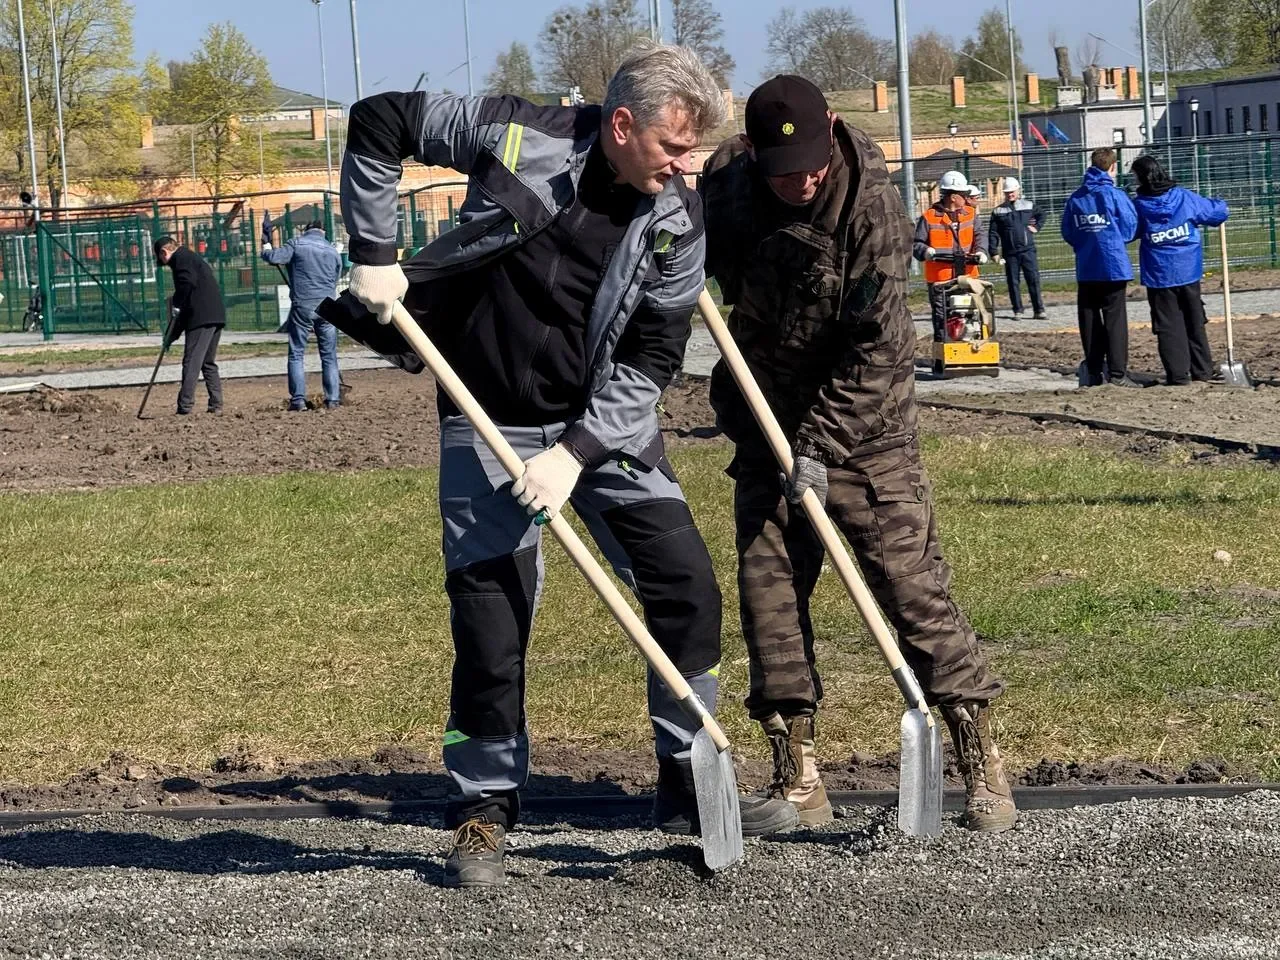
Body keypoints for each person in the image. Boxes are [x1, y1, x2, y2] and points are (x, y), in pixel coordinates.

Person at [331, 42, 798, 889]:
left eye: (696, 154)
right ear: (622, 125)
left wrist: (575, 456)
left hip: (601, 431)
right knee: (490, 621)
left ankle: (688, 784)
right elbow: (379, 122)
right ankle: (483, 807)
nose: (689, 170)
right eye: (675, 149)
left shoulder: (677, 220)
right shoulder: (515, 136)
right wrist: (373, 250)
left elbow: (652, 362)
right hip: (484, 412)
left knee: (686, 585)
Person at [701, 75, 1016, 834]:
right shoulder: (726, 186)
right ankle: (797, 773)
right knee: (766, 590)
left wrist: (820, 445)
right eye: (782, 171)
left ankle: (979, 758)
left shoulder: (869, 204)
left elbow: (881, 354)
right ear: (749, 153)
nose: (800, 181)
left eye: (810, 163)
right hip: (766, 414)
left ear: (833, 131)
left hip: (865, 428)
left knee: (910, 588)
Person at [1130, 155, 1229, 385]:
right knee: (1194, 319)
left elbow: (1128, 231)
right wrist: (1221, 205)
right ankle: (1202, 370)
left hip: (1159, 274)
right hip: (1188, 270)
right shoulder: (1184, 197)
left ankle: (1178, 375)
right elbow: (1215, 213)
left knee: (1167, 325)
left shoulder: (1139, 206)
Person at [1061, 148, 1141, 387]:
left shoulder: (1076, 198)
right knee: (1115, 319)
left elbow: (1068, 231)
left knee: (1089, 318)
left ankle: (1094, 370)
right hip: (1113, 266)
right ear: (1113, 167)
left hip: (1087, 266)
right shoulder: (1115, 196)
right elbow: (1130, 227)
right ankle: (1117, 373)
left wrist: (1085, 243)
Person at [263, 220, 345, 410]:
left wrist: (266, 243)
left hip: (303, 304)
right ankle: (333, 399)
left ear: (306, 230)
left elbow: (273, 258)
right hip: (328, 306)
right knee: (329, 355)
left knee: (297, 353)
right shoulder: (333, 251)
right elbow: (336, 277)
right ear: (323, 231)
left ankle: (298, 400)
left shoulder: (296, 244)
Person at [912, 170, 990, 341]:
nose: (967, 198)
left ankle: (970, 349)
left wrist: (982, 252)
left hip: (968, 276)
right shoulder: (929, 217)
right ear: (953, 197)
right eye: (964, 194)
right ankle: (943, 354)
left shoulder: (970, 214)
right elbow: (916, 244)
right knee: (942, 317)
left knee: (970, 312)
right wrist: (926, 251)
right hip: (941, 278)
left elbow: (980, 235)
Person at [154, 237, 225, 415]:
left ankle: (185, 406)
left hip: (201, 317)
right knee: (207, 362)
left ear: (164, 252)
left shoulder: (181, 259)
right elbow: (186, 299)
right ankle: (216, 404)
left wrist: (176, 303)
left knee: (191, 361)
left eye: (161, 258)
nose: (164, 264)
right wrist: (172, 335)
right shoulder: (191, 257)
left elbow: (187, 284)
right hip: (214, 314)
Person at [988, 176, 1047, 320]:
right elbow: (993, 233)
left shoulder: (1028, 205)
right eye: (1008, 192)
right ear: (1004, 193)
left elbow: (1042, 215)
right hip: (1010, 253)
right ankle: (1018, 310)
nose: (1010, 194)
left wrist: (1036, 227)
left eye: (1012, 191)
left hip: (1028, 251)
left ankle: (1039, 310)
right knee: (1013, 282)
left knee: (1033, 279)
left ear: (1018, 190)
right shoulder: (998, 211)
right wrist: (994, 251)